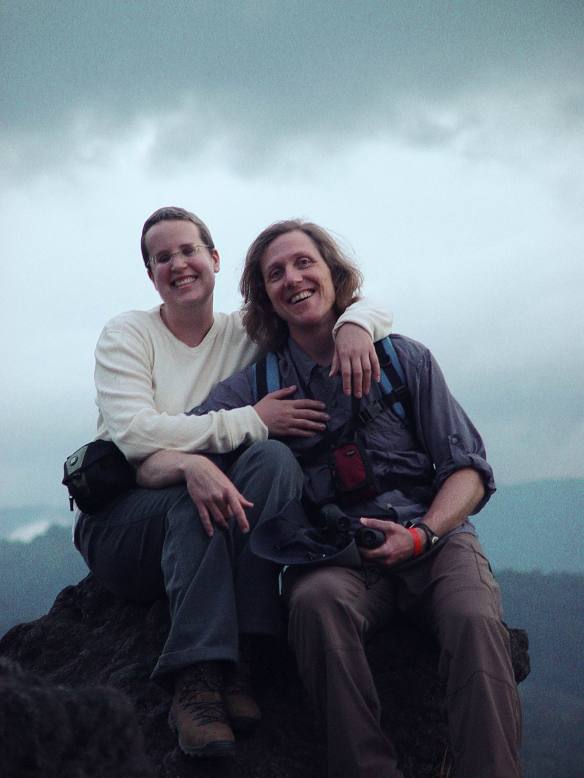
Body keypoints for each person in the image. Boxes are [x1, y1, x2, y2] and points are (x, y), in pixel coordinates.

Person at [138, 219, 522, 777]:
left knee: (471, 618)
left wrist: (424, 533)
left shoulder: (402, 360)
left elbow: (469, 470)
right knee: (315, 607)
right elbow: (154, 458)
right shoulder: (259, 384)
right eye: (275, 274)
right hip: (337, 555)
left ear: (332, 273)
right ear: (264, 295)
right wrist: (193, 463)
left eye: (303, 263)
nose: (292, 279)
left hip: (433, 540)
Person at [73, 207, 393, 758]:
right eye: (163, 257)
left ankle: (244, 655)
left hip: (213, 512)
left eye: (189, 250)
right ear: (151, 274)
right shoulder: (128, 334)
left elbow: (343, 300)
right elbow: (135, 435)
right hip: (124, 522)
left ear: (215, 260)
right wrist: (242, 427)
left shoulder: (245, 333)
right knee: (193, 499)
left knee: (272, 461)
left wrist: (356, 326)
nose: (179, 264)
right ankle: (196, 681)